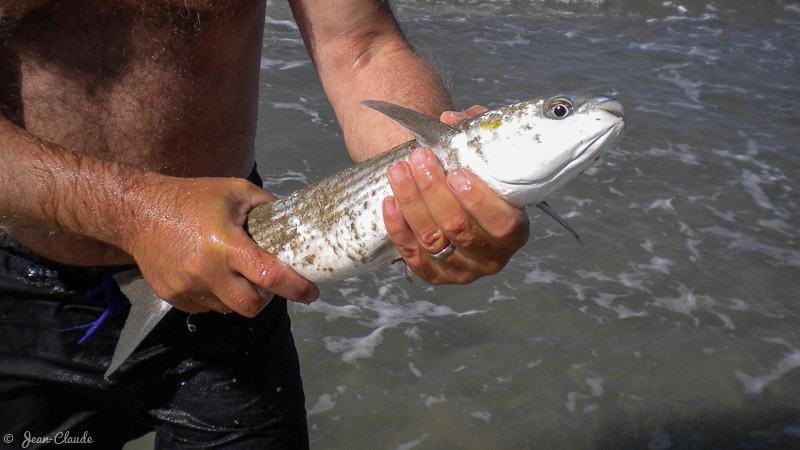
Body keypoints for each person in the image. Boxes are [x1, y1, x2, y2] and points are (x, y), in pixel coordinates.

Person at [0, 0, 529, 447]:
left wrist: (426, 187)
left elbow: (362, 45)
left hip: (242, 269)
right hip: (15, 293)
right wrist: (136, 213)